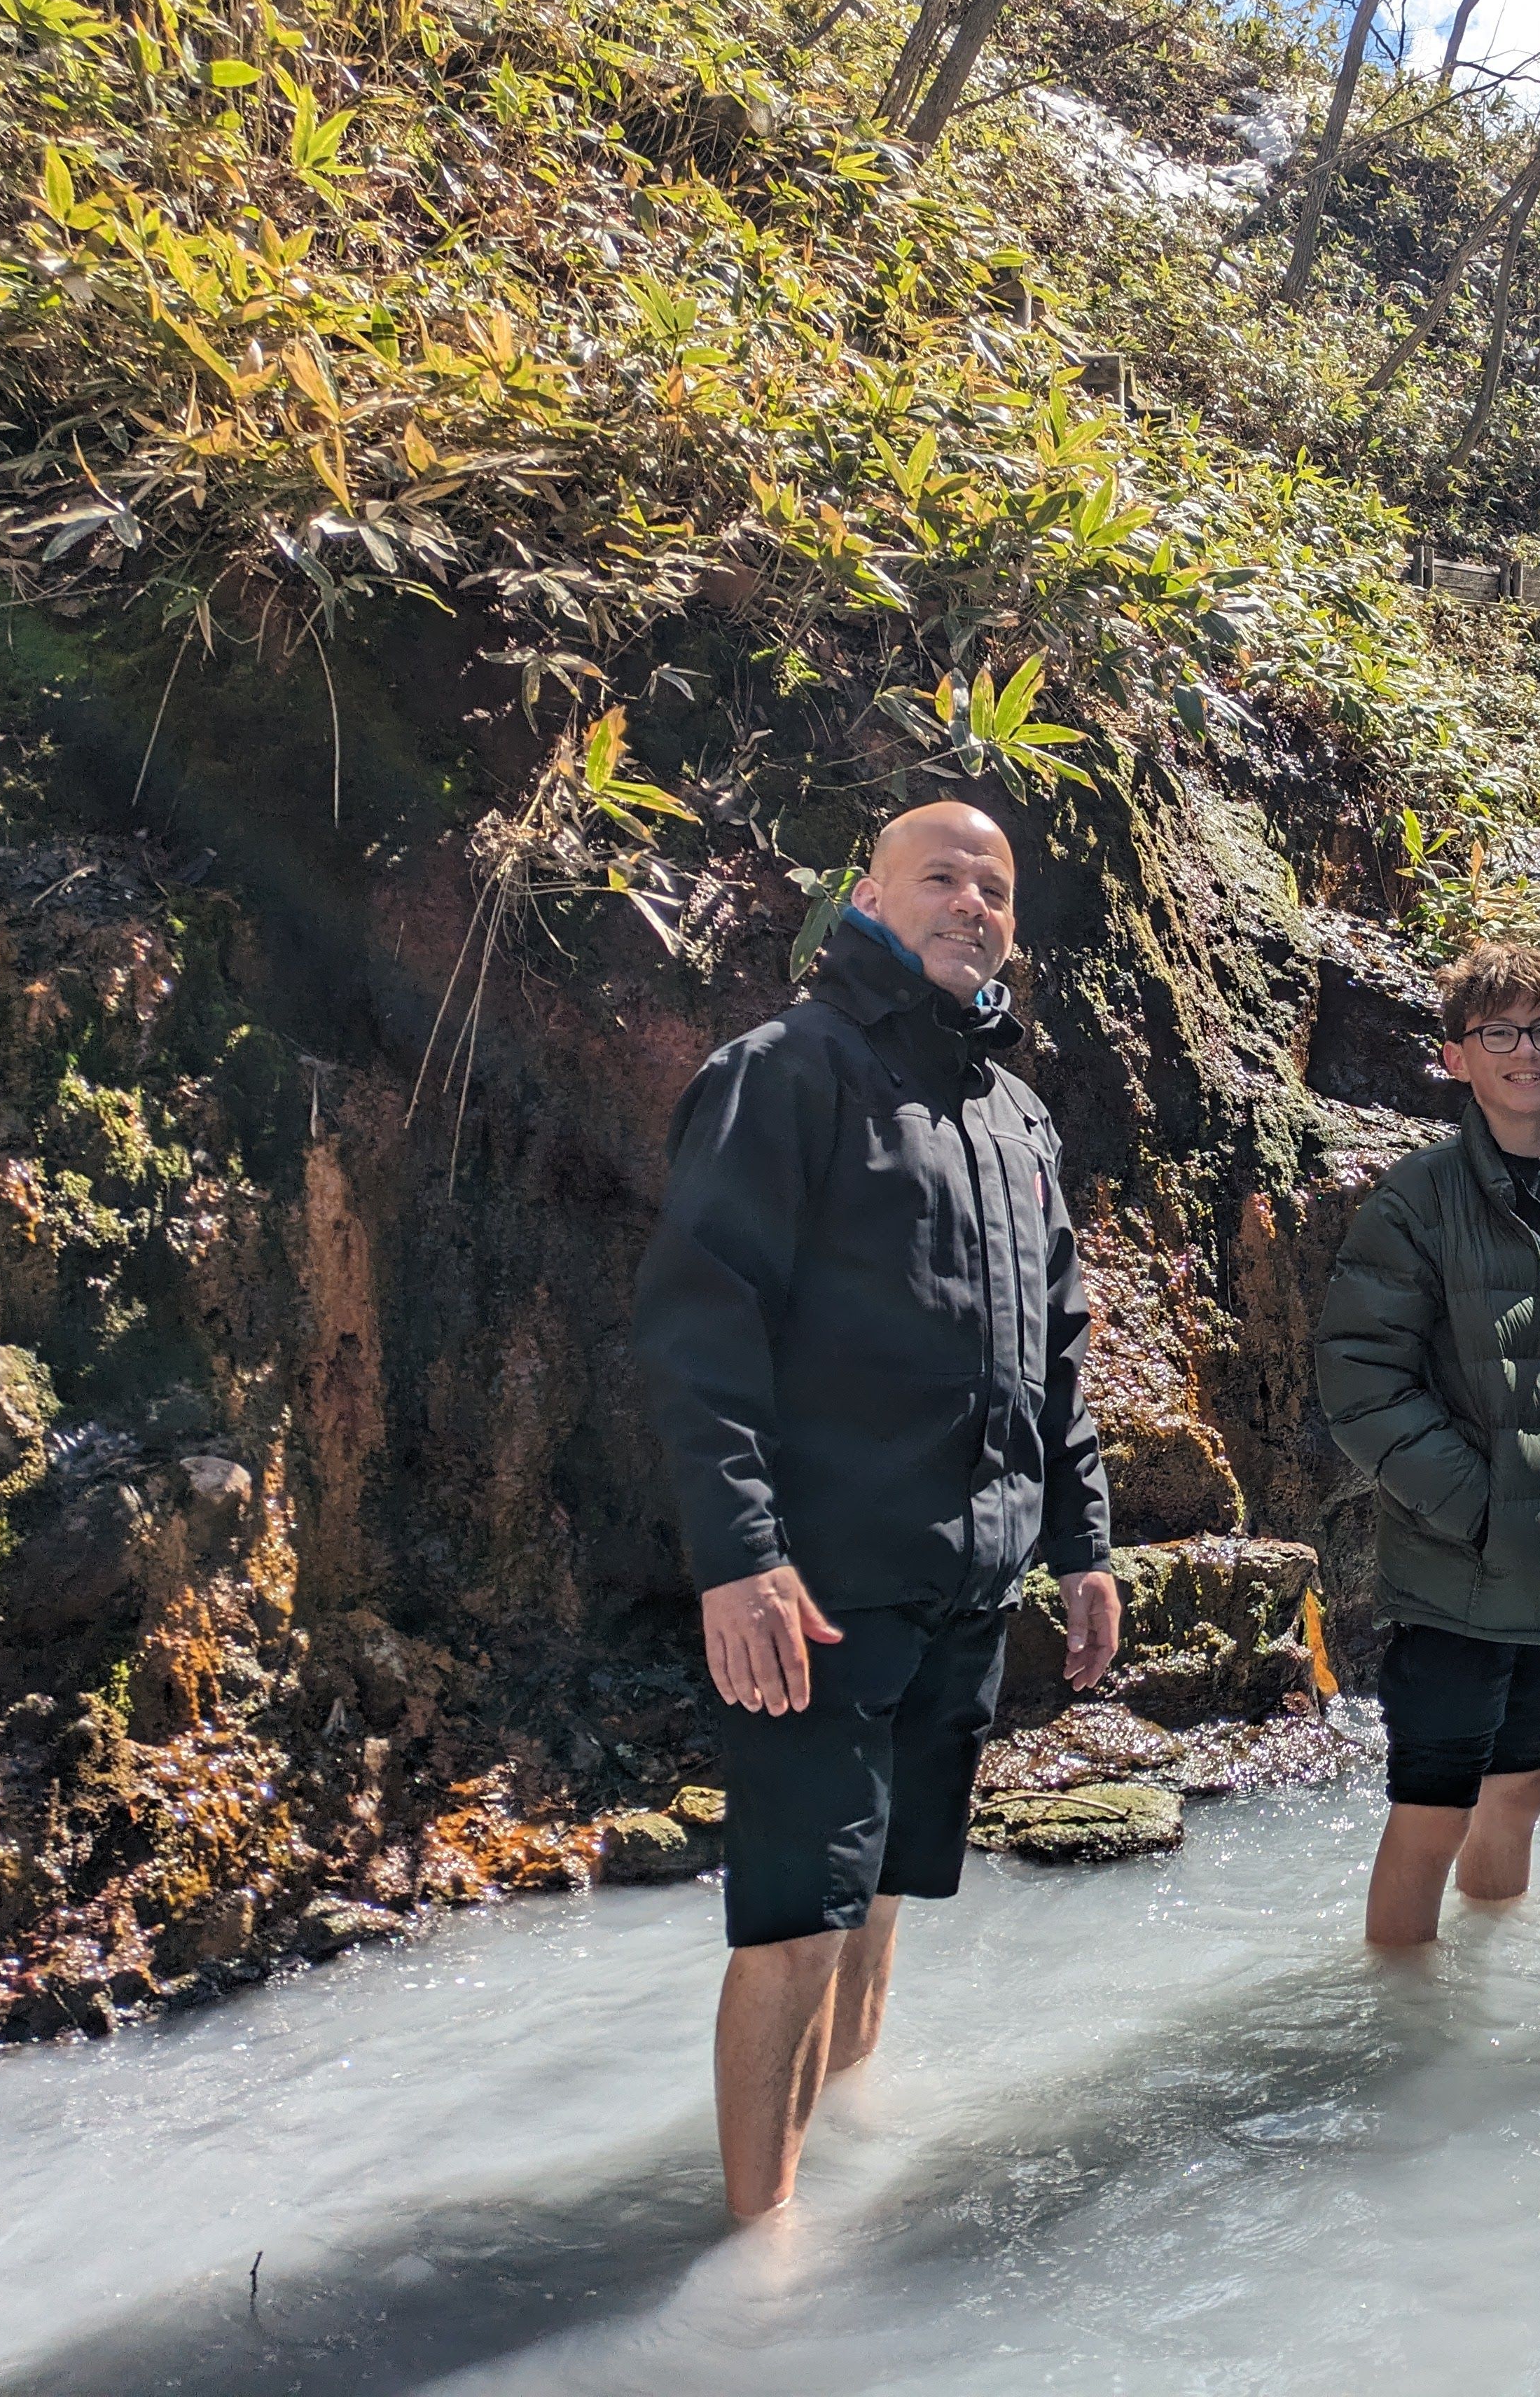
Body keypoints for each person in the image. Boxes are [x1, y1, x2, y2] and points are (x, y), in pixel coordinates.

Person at [632, 798, 1122, 2220]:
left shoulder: (1014, 1113)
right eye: (941, 876)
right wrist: (739, 1561)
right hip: (818, 1583)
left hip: (965, 1585)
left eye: (997, 886)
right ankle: (756, 2254)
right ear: (868, 891)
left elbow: (1058, 1351)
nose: (973, 901)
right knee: (794, 1916)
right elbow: (696, 1331)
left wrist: (1082, 1547)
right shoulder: (783, 1073)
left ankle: (841, 2139)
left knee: (890, 1888)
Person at [1314, 939, 1540, 1947]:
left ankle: (1495, 1999)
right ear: (1456, 1057)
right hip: (1462, 1567)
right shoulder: (1417, 1200)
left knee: (1519, 1795)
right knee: (1433, 1814)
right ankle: (1401, 2039)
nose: (1526, 1051)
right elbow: (1359, 1381)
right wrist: (1475, 1506)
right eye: (1499, 1033)